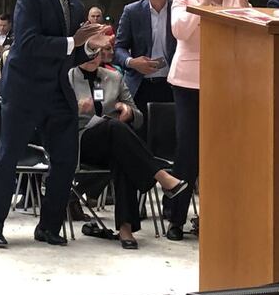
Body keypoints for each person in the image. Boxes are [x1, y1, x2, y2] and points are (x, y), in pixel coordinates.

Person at [0, 0, 108, 249]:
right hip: (25, 90)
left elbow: (72, 55)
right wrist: (72, 41)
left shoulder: (75, 5)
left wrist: (89, 48)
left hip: (58, 93)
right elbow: (27, 43)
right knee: (8, 157)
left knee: (65, 160)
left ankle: (49, 227)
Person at [165, 0, 256, 240]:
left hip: (226, 82)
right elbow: (180, 31)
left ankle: (215, 218)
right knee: (188, 152)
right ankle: (176, 219)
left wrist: (242, 4)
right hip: (189, 82)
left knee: (222, 152)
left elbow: (250, 35)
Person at [70, 51, 190, 249]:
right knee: (116, 129)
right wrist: (76, 108)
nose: (93, 56)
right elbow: (55, 116)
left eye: (97, 53)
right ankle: (160, 175)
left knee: (123, 154)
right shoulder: (68, 77)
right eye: (89, 52)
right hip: (84, 140)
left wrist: (129, 113)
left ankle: (125, 228)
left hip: (116, 142)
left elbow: (138, 115)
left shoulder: (114, 77)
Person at [113, 0, 176, 105]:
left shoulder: (178, 10)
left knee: (168, 126)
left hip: (171, 83)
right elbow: (118, 48)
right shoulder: (132, 11)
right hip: (139, 83)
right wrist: (132, 62)